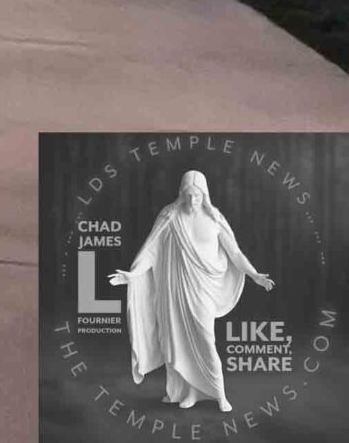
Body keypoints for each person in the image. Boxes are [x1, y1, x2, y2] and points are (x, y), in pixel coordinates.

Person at [109, 169, 273, 414]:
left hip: (203, 290)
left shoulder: (215, 219)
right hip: (176, 291)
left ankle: (219, 394)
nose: (192, 201)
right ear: (181, 193)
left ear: (205, 195)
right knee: (179, 342)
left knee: (206, 341)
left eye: (197, 196)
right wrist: (132, 275)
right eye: (188, 195)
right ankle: (191, 392)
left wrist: (254, 274)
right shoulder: (170, 217)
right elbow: (150, 251)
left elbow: (235, 253)